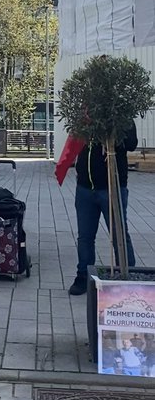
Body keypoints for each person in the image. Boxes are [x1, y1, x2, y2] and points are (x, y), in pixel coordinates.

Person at [68, 123, 138, 296]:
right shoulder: (85, 117)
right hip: (85, 188)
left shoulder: (120, 115)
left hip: (112, 187)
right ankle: (83, 276)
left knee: (119, 234)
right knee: (85, 236)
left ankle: (127, 274)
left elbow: (131, 144)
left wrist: (114, 125)